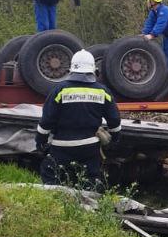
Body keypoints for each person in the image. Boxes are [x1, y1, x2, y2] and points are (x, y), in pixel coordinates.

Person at [35, 50, 122, 191]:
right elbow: (114, 120)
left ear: (71, 70)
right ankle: (90, 209)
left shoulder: (59, 91)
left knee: (51, 176)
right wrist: (116, 139)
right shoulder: (102, 91)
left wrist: (40, 141)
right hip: (90, 147)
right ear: (94, 71)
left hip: (61, 147)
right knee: (91, 181)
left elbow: (46, 121)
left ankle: (55, 207)